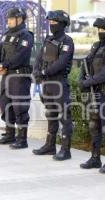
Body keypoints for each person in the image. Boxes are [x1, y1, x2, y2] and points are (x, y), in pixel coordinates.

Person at [79, 17, 105, 174]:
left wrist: (89, 82)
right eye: (99, 30)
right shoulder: (96, 47)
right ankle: (95, 158)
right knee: (93, 126)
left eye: (104, 30)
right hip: (93, 93)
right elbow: (86, 64)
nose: (100, 33)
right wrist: (81, 80)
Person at [33, 10, 74, 161]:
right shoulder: (48, 39)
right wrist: (36, 71)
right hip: (47, 83)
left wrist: (44, 72)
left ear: (62, 24)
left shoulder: (67, 41)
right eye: (50, 22)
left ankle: (65, 150)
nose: (52, 25)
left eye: (55, 22)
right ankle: (50, 146)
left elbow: (61, 62)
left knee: (64, 117)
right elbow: (39, 57)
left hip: (59, 83)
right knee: (50, 114)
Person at [0, 8, 34, 149]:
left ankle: (22, 139)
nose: (8, 21)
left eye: (11, 18)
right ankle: (9, 134)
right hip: (6, 75)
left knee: (19, 107)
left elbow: (21, 54)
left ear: (20, 19)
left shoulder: (26, 36)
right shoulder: (6, 35)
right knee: (5, 104)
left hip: (19, 77)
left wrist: (5, 64)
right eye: (8, 19)